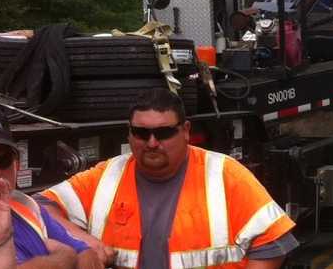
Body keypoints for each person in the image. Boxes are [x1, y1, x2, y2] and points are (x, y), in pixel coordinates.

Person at [41, 89, 297, 269]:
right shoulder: (107, 175)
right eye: (141, 133)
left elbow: (272, 243)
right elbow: (38, 206)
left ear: (185, 131)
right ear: (129, 134)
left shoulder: (224, 173)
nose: (152, 143)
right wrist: (82, 240)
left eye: (163, 133)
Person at [0, 106, 105, 269]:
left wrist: (65, 256)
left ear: (16, 163)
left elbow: (86, 254)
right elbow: (71, 253)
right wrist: (62, 257)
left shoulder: (25, 206)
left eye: (3, 159)